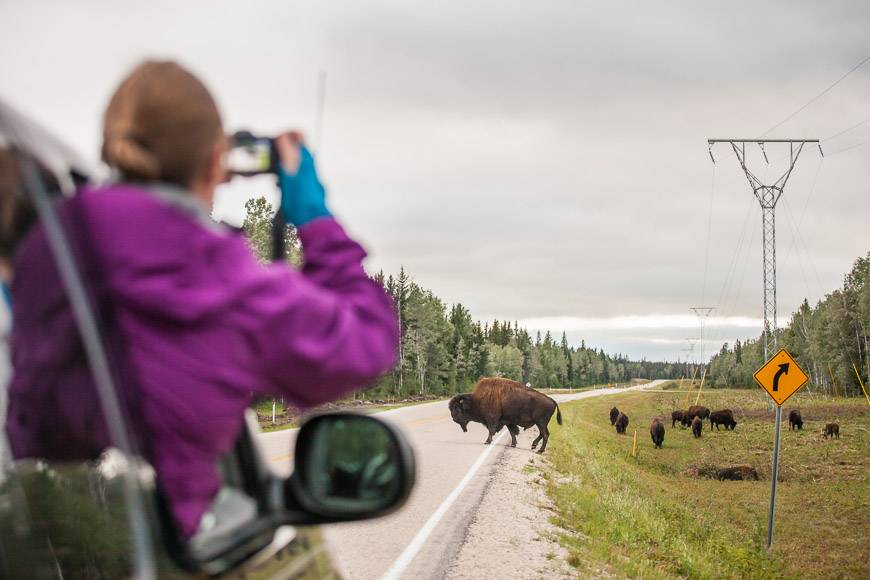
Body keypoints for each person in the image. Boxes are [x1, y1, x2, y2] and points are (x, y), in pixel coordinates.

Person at [5, 61, 399, 539]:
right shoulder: (230, 291)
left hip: (44, 539)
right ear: (219, 162)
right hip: (170, 546)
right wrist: (313, 216)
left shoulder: (39, 270)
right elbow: (370, 340)